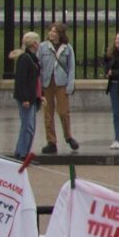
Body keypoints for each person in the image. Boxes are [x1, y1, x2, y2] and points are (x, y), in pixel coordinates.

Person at [39, 20, 79, 152]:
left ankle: (68, 137)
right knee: (48, 114)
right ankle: (51, 142)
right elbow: (38, 66)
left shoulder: (67, 48)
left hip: (61, 83)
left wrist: (70, 85)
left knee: (63, 112)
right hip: (47, 83)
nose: (52, 33)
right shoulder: (43, 47)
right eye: (50, 30)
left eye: (55, 31)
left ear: (60, 34)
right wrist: (39, 87)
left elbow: (71, 68)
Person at [11, 31, 45, 157]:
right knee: (27, 127)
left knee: (30, 127)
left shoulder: (32, 58)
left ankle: (24, 151)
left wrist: (40, 95)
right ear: (35, 44)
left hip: (32, 97)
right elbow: (21, 80)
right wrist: (25, 99)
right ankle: (21, 153)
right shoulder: (25, 58)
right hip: (26, 98)